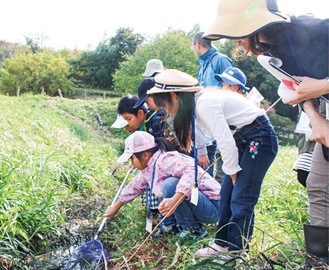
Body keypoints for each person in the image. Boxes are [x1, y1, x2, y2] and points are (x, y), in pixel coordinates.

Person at [202, 0, 329, 265]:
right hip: (325, 118)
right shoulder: (271, 55)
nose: (235, 41)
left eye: (235, 33)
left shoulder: (317, 29)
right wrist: (315, 117)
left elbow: (312, 87)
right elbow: (300, 89)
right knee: (318, 185)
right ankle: (319, 262)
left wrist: (321, 86)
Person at [148, 69, 278, 256]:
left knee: (241, 198)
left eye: (165, 105)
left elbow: (224, 141)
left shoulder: (204, 104)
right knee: (226, 194)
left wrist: (233, 173)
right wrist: (231, 175)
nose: (166, 110)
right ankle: (221, 244)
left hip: (260, 139)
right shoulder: (196, 104)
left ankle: (237, 253)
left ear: (174, 96)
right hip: (242, 141)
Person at [104, 131, 221, 239]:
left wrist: (175, 199)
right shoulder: (150, 169)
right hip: (202, 207)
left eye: (132, 159)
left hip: (213, 207)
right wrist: (116, 207)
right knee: (166, 187)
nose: (132, 164)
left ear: (145, 155)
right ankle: (174, 226)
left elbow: (192, 170)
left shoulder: (166, 160)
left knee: (169, 185)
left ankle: (193, 230)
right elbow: (134, 186)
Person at [191, 31, 233, 180]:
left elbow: (232, 88)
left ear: (197, 44)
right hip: (208, 123)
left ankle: (223, 201)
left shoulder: (221, 60)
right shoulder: (201, 67)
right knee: (208, 169)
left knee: (224, 166)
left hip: (224, 119)